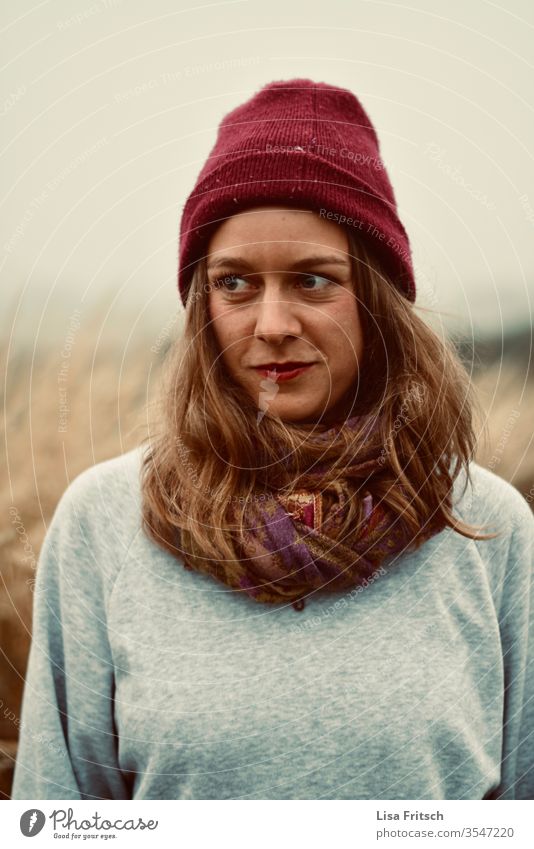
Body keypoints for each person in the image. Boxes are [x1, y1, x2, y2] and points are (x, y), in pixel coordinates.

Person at [12, 79, 533, 801]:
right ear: (203, 306)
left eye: (313, 280)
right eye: (235, 284)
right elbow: (59, 813)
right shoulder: (103, 522)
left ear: (377, 300)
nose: (273, 323)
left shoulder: (489, 528)